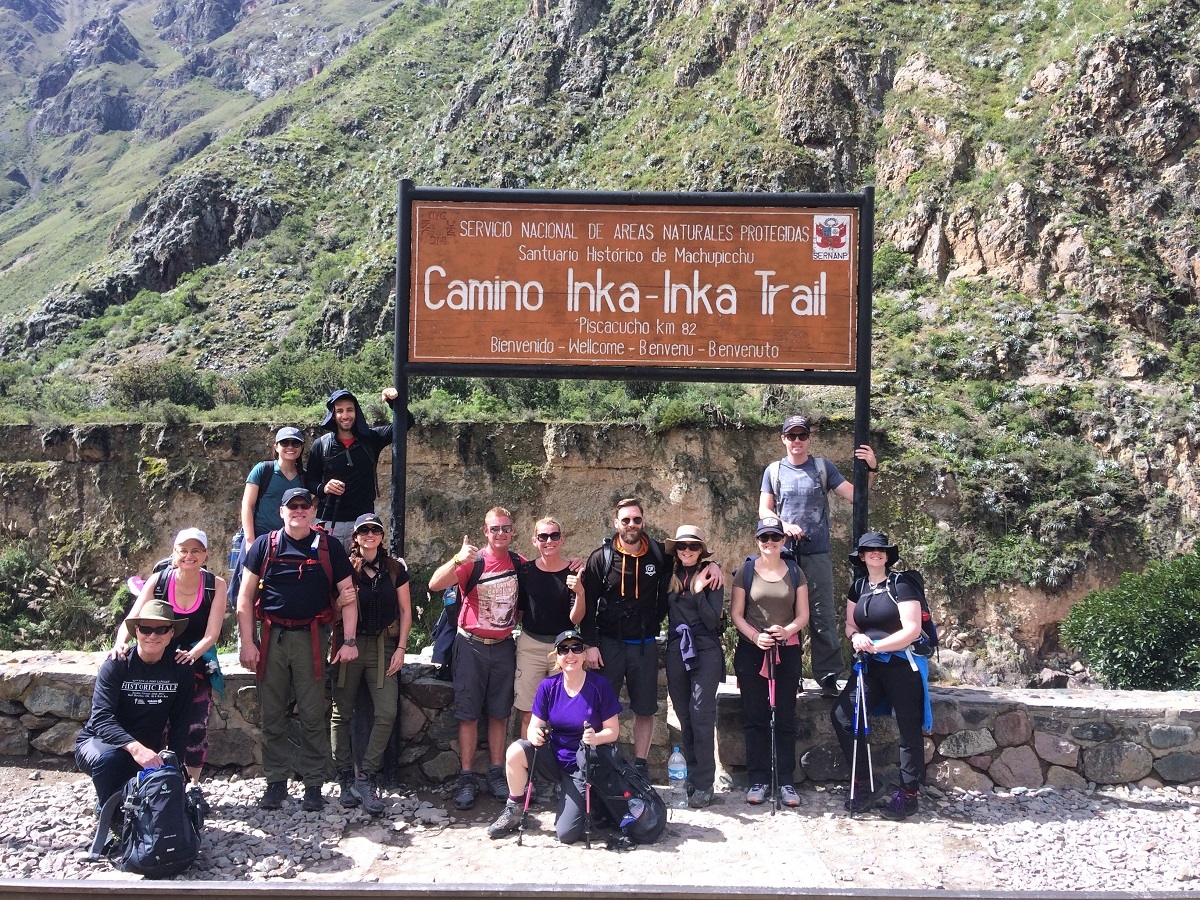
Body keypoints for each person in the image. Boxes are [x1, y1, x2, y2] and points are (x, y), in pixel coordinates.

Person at [580, 497, 722, 779]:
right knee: (600, 707)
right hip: (608, 643)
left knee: (645, 708)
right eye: (626, 520)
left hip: (644, 643)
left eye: (636, 519)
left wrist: (714, 563)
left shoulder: (658, 553)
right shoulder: (601, 557)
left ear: (643, 521)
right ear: (615, 523)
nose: (631, 525)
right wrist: (590, 644)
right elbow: (588, 602)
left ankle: (641, 765)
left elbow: (689, 558)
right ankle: (599, 763)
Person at [237, 487, 359, 812]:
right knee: (272, 713)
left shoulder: (329, 547)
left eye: (305, 506)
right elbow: (245, 597)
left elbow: (348, 594)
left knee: (312, 715)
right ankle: (276, 783)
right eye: (293, 506)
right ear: (282, 511)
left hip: (312, 637)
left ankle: (314, 785)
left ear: (312, 511)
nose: (299, 511)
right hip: (272, 635)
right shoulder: (265, 545)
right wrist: (247, 642)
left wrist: (348, 641)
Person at [758, 414, 878, 697]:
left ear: (809, 438)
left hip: (817, 552)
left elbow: (856, 495)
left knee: (822, 614)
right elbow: (764, 510)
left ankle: (827, 676)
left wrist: (871, 469)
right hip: (783, 554)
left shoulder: (823, 468)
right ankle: (790, 674)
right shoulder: (773, 471)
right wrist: (783, 525)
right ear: (783, 439)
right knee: (783, 615)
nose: (797, 441)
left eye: (802, 435)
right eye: (792, 436)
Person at [110, 528, 226, 798]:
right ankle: (157, 784)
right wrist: (120, 643)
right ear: (174, 554)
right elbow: (134, 617)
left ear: (205, 555)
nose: (189, 555)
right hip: (158, 660)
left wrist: (192, 655)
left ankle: (192, 787)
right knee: (157, 724)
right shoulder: (159, 581)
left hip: (195, 662)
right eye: (183, 550)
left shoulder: (214, 585)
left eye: (196, 550)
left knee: (195, 726)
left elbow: (213, 632)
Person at [427, 506, 524, 810]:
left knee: (499, 712)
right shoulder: (473, 562)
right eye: (494, 528)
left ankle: (496, 772)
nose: (500, 534)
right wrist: (457, 558)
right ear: (485, 531)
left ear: (512, 531)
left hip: (504, 645)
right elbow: (434, 583)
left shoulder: (519, 563)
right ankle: (467, 777)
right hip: (470, 646)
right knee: (468, 714)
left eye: (505, 528)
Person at [487, 629, 622, 842]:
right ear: (557, 657)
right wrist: (535, 737)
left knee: (567, 834)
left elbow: (613, 731)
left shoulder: (599, 686)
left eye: (576, 648)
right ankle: (514, 809)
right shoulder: (548, 686)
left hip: (582, 765)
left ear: (585, 654)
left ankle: (589, 803)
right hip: (554, 756)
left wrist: (595, 738)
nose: (570, 655)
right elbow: (533, 727)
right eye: (564, 649)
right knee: (515, 751)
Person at [832, 532, 929, 820]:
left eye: (881, 550)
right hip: (869, 666)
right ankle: (864, 783)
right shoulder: (858, 586)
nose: (875, 553)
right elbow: (850, 624)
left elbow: (911, 630)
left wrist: (876, 646)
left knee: (908, 729)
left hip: (901, 664)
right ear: (861, 556)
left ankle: (909, 795)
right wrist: (857, 638)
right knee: (843, 716)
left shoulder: (902, 584)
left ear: (887, 556)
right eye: (869, 550)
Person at [331, 513, 413, 815]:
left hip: (382, 646)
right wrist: (339, 604)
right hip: (350, 646)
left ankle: (365, 774)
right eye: (363, 530)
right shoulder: (345, 568)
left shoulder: (394, 569)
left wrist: (402, 647)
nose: (369, 534)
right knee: (342, 711)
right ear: (355, 536)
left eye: (374, 530)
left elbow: (405, 610)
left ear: (381, 535)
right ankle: (343, 776)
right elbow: (332, 609)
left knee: (387, 711)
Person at [77, 600, 195, 809]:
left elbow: (181, 722)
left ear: (171, 633)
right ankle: (111, 820)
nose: (152, 635)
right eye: (146, 629)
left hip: (146, 748)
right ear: (136, 631)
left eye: (161, 629)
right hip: (99, 742)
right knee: (111, 762)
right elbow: (101, 719)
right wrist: (136, 749)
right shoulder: (117, 664)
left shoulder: (181, 668)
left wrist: (176, 764)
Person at [730, 516, 810, 808]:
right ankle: (759, 779)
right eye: (764, 538)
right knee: (754, 716)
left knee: (786, 715)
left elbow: (803, 614)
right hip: (752, 650)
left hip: (786, 649)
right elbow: (737, 614)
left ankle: (786, 780)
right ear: (757, 541)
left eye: (775, 538)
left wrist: (786, 631)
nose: (770, 543)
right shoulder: (746, 572)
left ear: (783, 541)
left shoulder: (795, 572)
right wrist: (755, 637)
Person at [662, 525, 724, 808]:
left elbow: (712, 621)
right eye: (683, 546)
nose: (687, 551)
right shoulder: (669, 574)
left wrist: (699, 592)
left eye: (694, 546)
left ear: (701, 551)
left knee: (701, 713)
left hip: (705, 647)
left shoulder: (711, 576)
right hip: (677, 648)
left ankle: (704, 783)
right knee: (685, 714)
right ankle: (690, 778)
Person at [514, 517, 586, 737]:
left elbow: (575, 618)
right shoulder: (526, 571)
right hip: (530, 645)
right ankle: (528, 765)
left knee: (561, 713)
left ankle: (557, 765)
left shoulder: (575, 573)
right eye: (543, 536)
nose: (549, 541)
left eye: (554, 535)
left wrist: (580, 591)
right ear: (535, 541)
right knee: (528, 713)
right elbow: (520, 608)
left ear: (562, 539)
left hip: (564, 649)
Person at [306, 387, 402, 549]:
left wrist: (393, 402)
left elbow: (405, 424)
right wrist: (324, 488)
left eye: (349, 410)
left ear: (356, 412)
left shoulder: (371, 439)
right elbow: (309, 480)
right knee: (326, 572)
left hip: (362, 523)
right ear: (333, 415)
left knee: (360, 572)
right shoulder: (321, 445)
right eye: (340, 411)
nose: (345, 416)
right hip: (328, 521)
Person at [228, 426, 307, 608]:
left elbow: (308, 505)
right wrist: (250, 541)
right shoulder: (263, 470)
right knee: (246, 587)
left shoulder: (302, 477)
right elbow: (247, 505)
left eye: (295, 443)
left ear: (301, 448)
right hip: (259, 537)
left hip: (285, 542)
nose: (290, 446)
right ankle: (243, 633)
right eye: (285, 442)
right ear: (276, 446)